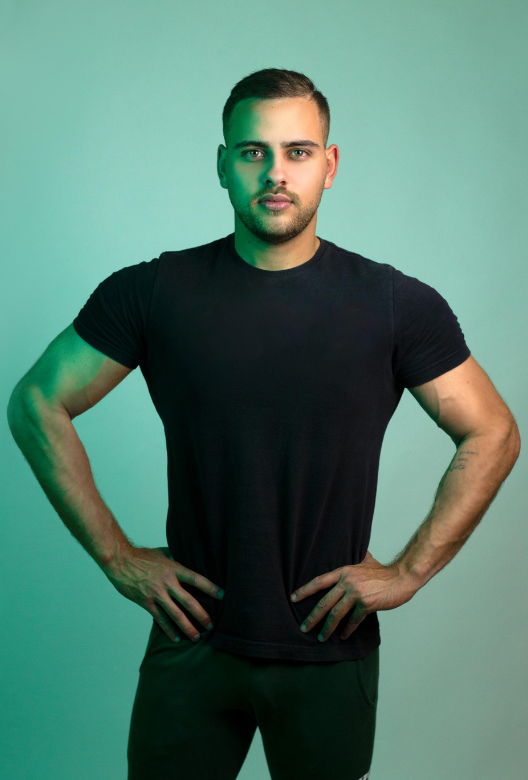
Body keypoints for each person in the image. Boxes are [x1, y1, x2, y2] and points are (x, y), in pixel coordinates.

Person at [7, 68, 520, 780]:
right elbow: (36, 403)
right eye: (252, 152)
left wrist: (408, 572)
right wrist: (118, 557)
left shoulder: (396, 305)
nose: (275, 173)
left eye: (298, 152)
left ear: (329, 165)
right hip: (192, 644)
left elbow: (493, 431)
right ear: (222, 164)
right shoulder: (154, 292)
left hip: (327, 650)